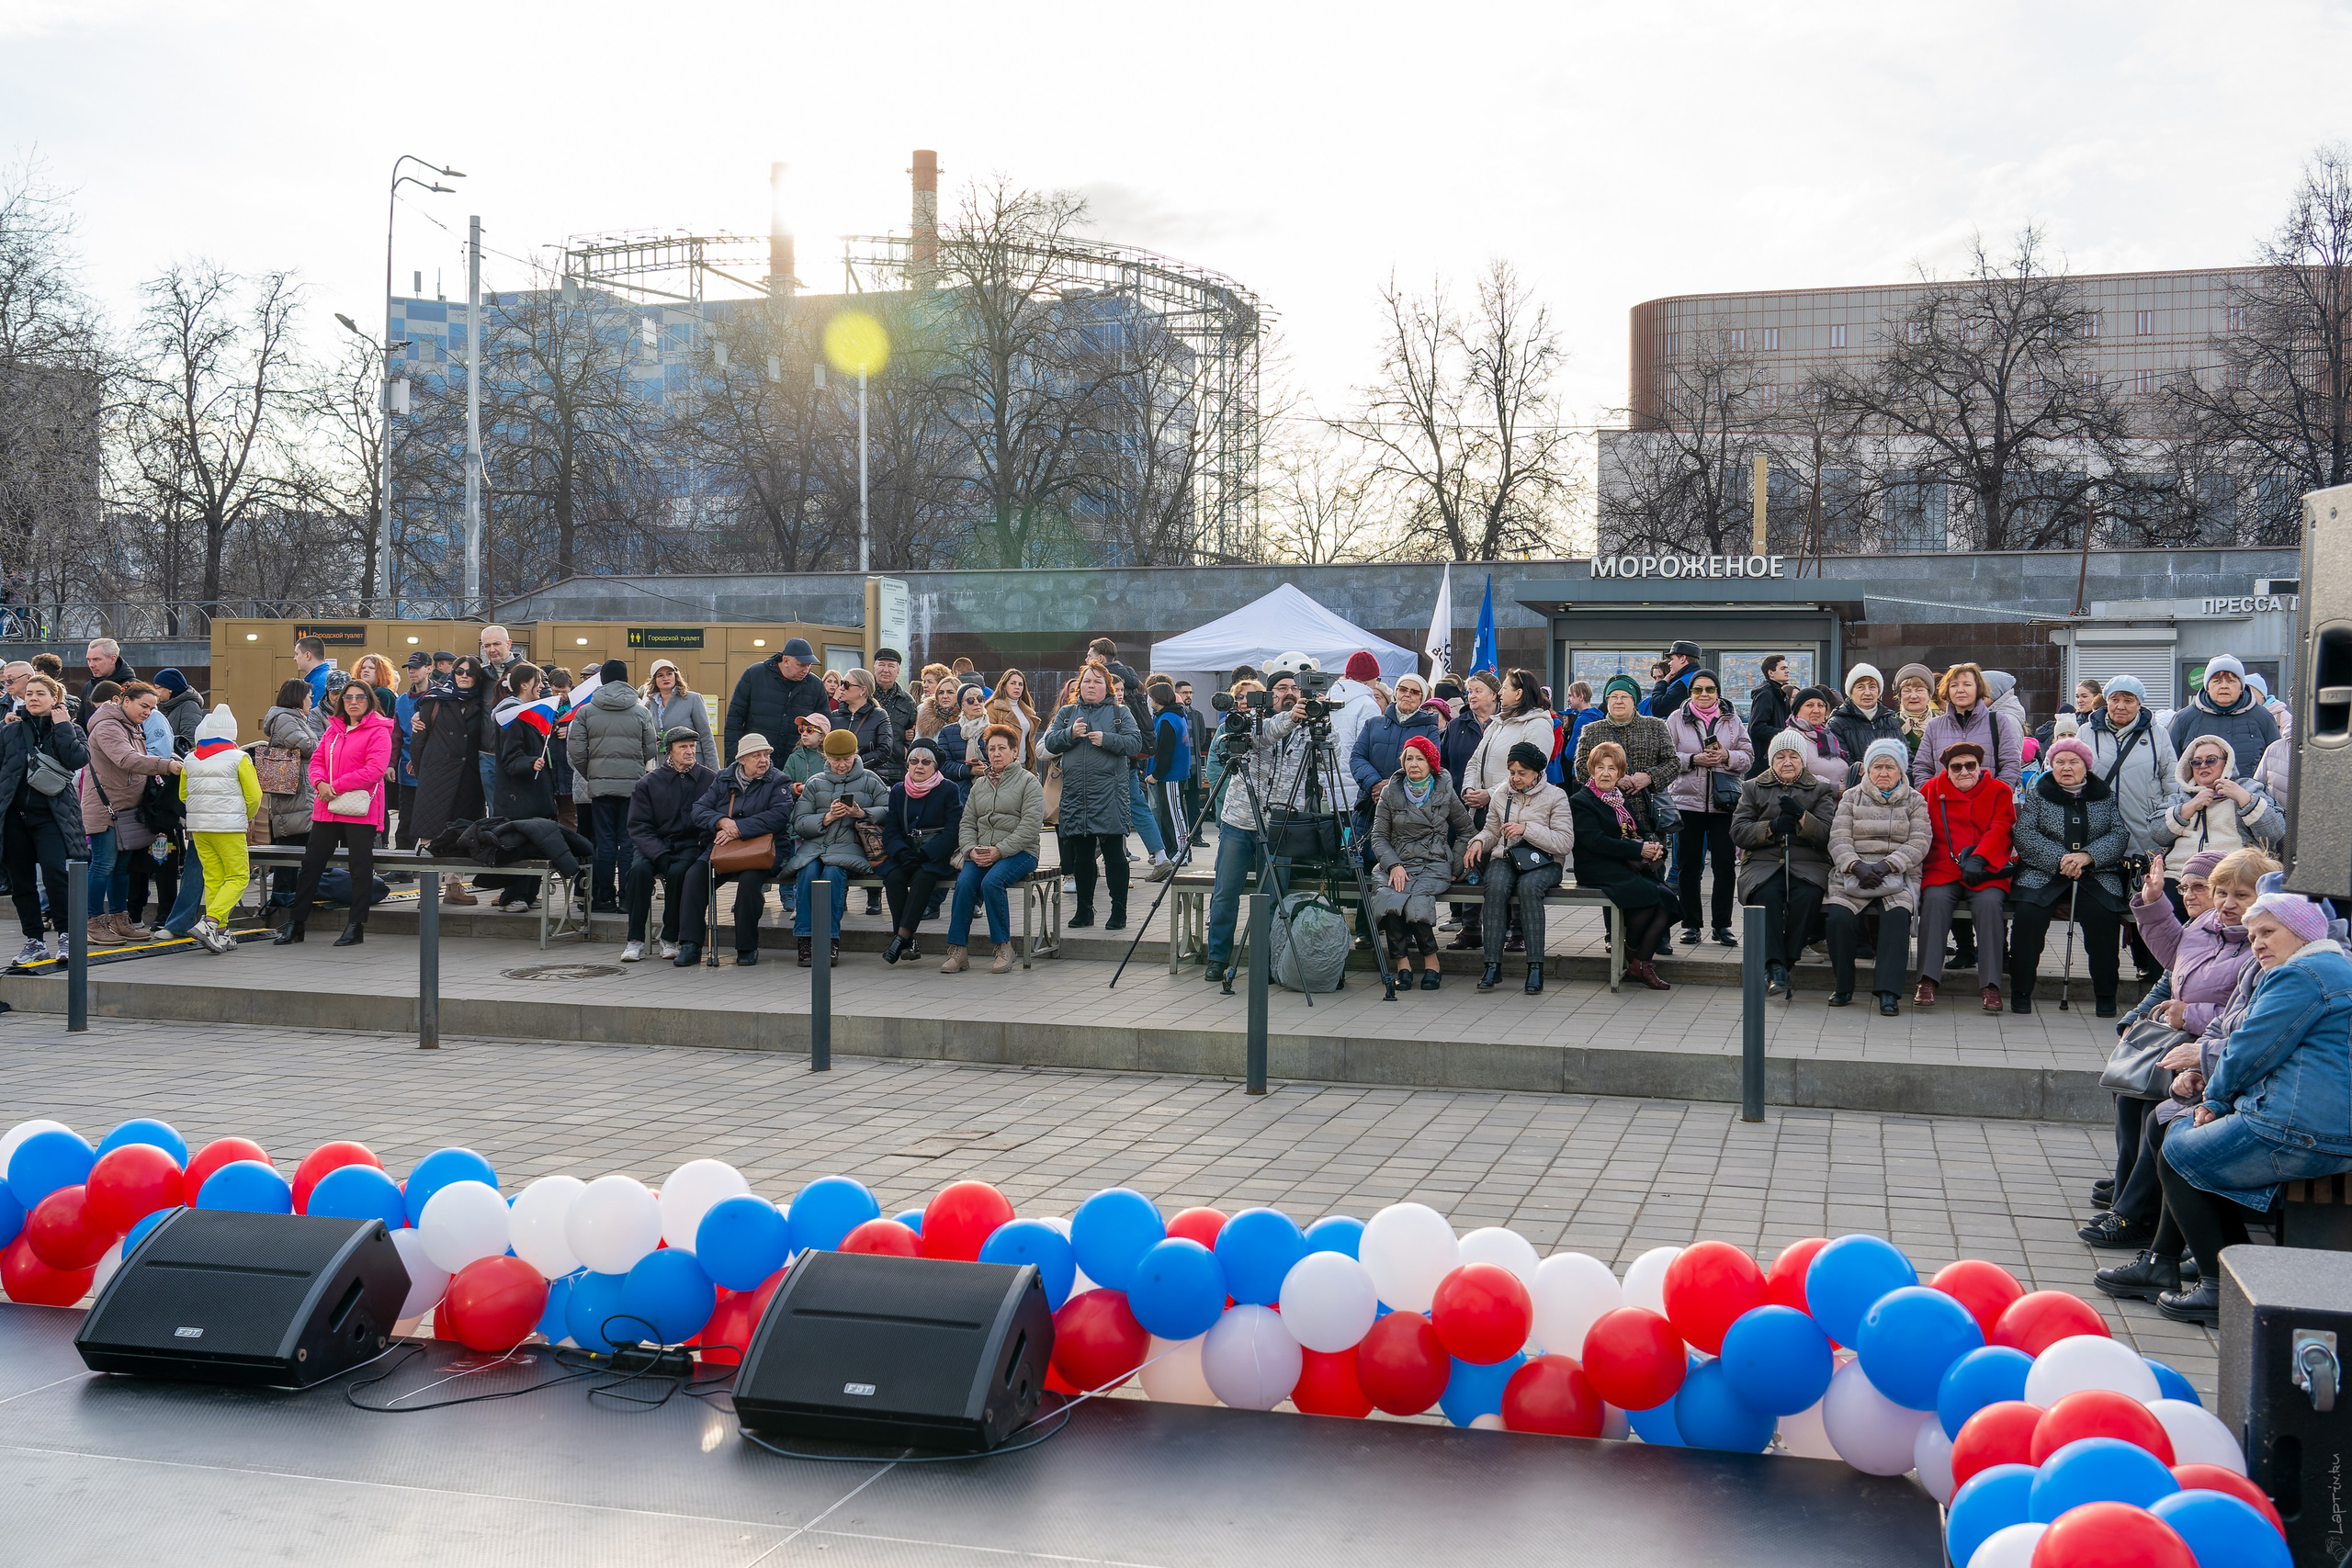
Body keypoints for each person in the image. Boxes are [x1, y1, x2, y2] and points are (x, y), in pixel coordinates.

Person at [2148, 888, 2352, 1325]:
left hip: (2301, 1128)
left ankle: (2220, 1288)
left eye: (2268, 932)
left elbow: (2251, 1048)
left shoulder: (2303, 974)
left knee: (2180, 1151)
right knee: (2184, 1136)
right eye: (2252, 933)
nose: (2256, 942)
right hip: (2321, 1123)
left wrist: (2216, 1099)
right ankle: (2227, 1271)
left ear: (2302, 933)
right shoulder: (2334, 968)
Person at [2081, 847, 2256, 1258]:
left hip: (2213, 1052)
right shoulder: (2206, 926)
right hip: (2186, 1043)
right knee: (2128, 1094)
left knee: (2157, 1110)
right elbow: (2171, 964)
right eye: (2218, 892)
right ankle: (2127, 1194)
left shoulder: (2258, 942)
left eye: (2239, 895)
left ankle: (2138, 1214)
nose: (2225, 903)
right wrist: (2155, 900)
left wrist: (2190, 1016)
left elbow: (2245, 1014)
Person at [2007, 735, 2130, 1016]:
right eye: (2059, 762)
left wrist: (2088, 856)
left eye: (2074, 762)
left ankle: (2105, 995)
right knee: (2028, 916)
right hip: (2043, 871)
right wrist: (2060, 858)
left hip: (2095, 873)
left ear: (2086, 766)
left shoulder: (2104, 795)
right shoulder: (2039, 794)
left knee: (2102, 917)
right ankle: (2021, 990)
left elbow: (2119, 833)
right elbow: (2025, 833)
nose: (2066, 767)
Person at [275, 678, 394, 947]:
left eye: (359, 697)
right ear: (341, 702)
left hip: (359, 809)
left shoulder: (378, 730)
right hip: (328, 807)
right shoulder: (333, 729)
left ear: (369, 701)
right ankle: (296, 923)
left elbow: (374, 771)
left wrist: (335, 786)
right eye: (348, 698)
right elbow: (316, 760)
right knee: (311, 865)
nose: (353, 702)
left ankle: (356, 925)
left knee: (360, 868)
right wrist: (319, 783)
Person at [1825, 739, 1932, 1014]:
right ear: (1867, 770)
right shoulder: (1851, 797)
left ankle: (1888, 992)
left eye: (1890, 767)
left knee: (1896, 917)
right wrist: (1855, 865)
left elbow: (1920, 841)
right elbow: (1838, 838)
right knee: (1838, 917)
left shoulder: (1915, 800)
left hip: (1898, 874)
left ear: (1901, 771)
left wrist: (1887, 865)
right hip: (1853, 874)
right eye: (1877, 767)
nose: (1883, 772)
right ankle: (1843, 986)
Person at [1733, 732, 1838, 998]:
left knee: (1808, 894)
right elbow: (1738, 831)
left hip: (1808, 862)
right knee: (1766, 894)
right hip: (1763, 861)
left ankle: (1779, 967)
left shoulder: (1820, 788)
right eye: (1780, 757)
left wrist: (1802, 818)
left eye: (1793, 756)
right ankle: (1778, 967)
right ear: (1771, 760)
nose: (1787, 762)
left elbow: (1826, 833)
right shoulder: (1752, 787)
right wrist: (1772, 827)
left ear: (1803, 760)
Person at [677, 731, 793, 967]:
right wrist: (721, 822)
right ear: (742, 760)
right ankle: (690, 944)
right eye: (756, 756)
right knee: (695, 877)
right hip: (724, 847)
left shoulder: (778, 780)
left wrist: (738, 828)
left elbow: (779, 816)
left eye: (766, 755)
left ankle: (747, 947)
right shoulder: (723, 778)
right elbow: (699, 809)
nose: (763, 760)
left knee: (750, 883)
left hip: (763, 849)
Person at [1914, 740, 2015, 1013]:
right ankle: (1927, 979)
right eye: (1956, 767)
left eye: (1970, 765)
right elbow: (1921, 830)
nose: (1964, 772)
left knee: (1989, 905)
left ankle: (1991, 984)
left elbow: (2003, 826)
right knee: (1933, 901)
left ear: (1980, 767)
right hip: (1943, 867)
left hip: (1986, 870)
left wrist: (1981, 857)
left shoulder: (1999, 791)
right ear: (1946, 770)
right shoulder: (1931, 790)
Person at [79, 680, 182, 945]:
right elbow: (126, 759)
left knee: (121, 868)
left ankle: (119, 919)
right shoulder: (108, 726)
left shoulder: (131, 725)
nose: (148, 712)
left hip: (125, 809)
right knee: (103, 865)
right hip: (106, 809)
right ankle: (93, 923)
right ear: (124, 701)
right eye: (144, 706)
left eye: (152, 708)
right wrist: (166, 766)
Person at [1569, 740, 1677, 991]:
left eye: (1612, 768)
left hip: (1622, 865)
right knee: (1652, 896)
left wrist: (1653, 846)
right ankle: (1635, 955)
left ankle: (1639, 961)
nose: (1606, 773)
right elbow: (1594, 841)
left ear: (1620, 773)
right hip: (1596, 867)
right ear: (1591, 770)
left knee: (1668, 898)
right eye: (1600, 767)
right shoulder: (1582, 800)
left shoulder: (1619, 799)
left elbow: (1637, 830)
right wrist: (1638, 849)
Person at [1370, 732, 1473, 990]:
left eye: (1420, 759)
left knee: (1415, 904)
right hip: (1396, 862)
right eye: (1409, 759)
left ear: (1431, 764)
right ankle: (1402, 965)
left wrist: (1456, 867)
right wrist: (1393, 865)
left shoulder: (1444, 793)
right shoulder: (1389, 794)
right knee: (1390, 899)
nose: (1413, 764)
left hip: (1432, 862)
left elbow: (1466, 831)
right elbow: (1379, 837)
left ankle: (1431, 963)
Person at [1045, 660, 1142, 930]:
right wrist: (1070, 734)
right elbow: (1049, 743)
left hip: (1110, 795)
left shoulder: (1120, 713)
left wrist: (1108, 739)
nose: (1091, 686)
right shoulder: (1067, 712)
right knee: (1082, 857)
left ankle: (1118, 911)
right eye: (1087, 681)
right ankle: (1084, 911)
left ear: (1107, 687)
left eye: (1098, 682)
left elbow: (1135, 743)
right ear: (1079, 686)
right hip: (1076, 796)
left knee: (1114, 856)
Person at [942, 726, 1046, 975]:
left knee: (992, 883)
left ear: (1014, 753)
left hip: (1021, 852)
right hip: (982, 851)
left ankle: (1003, 947)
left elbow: (1030, 826)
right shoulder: (980, 785)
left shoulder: (1029, 782)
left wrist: (999, 850)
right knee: (965, 883)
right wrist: (970, 850)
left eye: (1002, 748)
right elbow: (967, 822)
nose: (996, 754)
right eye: (991, 749)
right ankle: (958, 950)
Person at [0, 673, 87, 965]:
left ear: (55, 698)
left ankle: (66, 935)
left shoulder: (70, 728)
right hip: (14, 817)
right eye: (29, 694)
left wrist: (63, 726)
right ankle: (34, 941)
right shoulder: (10, 730)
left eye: (40, 693)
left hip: (52, 816)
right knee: (21, 882)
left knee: (55, 874)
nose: (33, 698)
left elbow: (77, 759)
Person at [1663, 668, 1751, 948]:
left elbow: (1748, 756)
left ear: (1718, 692)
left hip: (1724, 802)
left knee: (1725, 864)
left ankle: (1722, 925)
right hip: (1687, 802)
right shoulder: (1676, 719)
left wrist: (1726, 755)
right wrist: (1693, 759)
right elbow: (1665, 756)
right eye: (1698, 689)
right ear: (1690, 693)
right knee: (1689, 866)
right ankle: (1691, 925)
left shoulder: (1732, 719)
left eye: (1709, 689)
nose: (1704, 694)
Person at [787, 727, 887, 966]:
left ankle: (830, 939)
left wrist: (862, 813)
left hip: (849, 849)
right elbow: (798, 823)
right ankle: (805, 940)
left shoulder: (871, 780)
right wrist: (826, 818)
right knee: (808, 872)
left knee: (832, 873)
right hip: (815, 848)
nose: (841, 765)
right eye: (835, 760)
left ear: (855, 755)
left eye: (847, 759)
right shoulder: (814, 783)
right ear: (826, 757)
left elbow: (888, 810)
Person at [567, 659, 658, 914]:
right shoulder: (641, 711)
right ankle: (628, 898)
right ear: (626, 678)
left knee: (603, 842)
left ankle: (603, 898)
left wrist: (591, 773)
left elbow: (576, 750)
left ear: (602, 680)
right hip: (632, 787)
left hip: (600, 787)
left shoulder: (586, 711)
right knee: (627, 842)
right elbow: (650, 748)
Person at [621, 727, 715, 964]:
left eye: (692, 746)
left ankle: (669, 937)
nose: (690, 751)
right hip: (653, 844)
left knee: (679, 873)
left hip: (690, 845)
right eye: (683, 747)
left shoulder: (709, 778)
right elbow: (638, 826)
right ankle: (635, 940)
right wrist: (659, 853)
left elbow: (712, 819)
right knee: (639, 872)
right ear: (669, 752)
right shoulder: (649, 782)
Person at [404, 656, 492, 903]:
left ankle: (454, 887)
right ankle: (428, 892)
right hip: (436, 775)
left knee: (463, 832)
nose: (464, 676)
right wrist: (425, 772)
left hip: (468, 778)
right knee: (431, 833)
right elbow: (418, 740)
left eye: (470, 673)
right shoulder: (434, 699)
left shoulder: (483, 703)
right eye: (459, 671)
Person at [484, 663, 561, 914]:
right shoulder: (512, 715)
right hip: (518, 797)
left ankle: (528, 893)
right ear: (524, 684)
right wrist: (531, 762)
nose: (542, 686)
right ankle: (513, 895)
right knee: (520, 846)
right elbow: (509, 758)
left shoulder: (531, 712)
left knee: (537, 843)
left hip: (535, 794)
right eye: (538, 681)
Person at [880, 739, 964, 964]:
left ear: (935, 766)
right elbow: (891, 830)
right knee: (893, 877)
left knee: (923, 877)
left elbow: (953, 831)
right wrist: (901, 853)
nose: (919, 766)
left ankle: (901, 938)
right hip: (906, 854)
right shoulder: (898, 790)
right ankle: (908, 942)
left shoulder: (948, 789)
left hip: (935, 856)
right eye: (914, 761)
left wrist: (925, 853)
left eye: (926, 762)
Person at [1439, 671, 1496, 952]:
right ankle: (1470, 927)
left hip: (1499, 807)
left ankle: (1506, 928)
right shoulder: (1456, 725)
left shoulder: (1504, 725)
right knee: (1468, 867)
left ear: (1495, 695)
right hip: (1462, 809)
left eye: (1478, 691)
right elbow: (1444, 765)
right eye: (1469, 691)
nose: (1471, 695)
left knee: (1496, 866)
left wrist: (1490, 794)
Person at [2161, 737, 2283, 865]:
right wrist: (2189, 807)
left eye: (2211, 760)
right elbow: (2158, 835)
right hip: (2180, 871)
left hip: (2232, 873)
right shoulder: (2180, 796)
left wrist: (2245, 799)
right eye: (2196, 762)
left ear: (2227, 763)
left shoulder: (2249, 787)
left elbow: (2274, 833)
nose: (2203, 765)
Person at [1912, 663, 2021, 786]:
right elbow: (1921, 768)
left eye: (1967, 684)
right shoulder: (1935, 725)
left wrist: (1995, 795)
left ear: (1978, 688)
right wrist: (1932, 796)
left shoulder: (1998, 721)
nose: (1960, 690)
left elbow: (2011, 765)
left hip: (1987, 803)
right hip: (1945, 803)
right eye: (1954, 685)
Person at [2167, 656, 2278, 776]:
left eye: (2231, 681)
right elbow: (2169, 766)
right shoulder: (2184, 719)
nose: (2224, 686)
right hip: (2197, 794)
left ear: (2241, 687)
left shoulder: (2262, 718)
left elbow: (2277, 765)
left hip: (2249, 793)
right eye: (2217, 681)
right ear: (2207, 687)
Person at [724, 637, 828, 764]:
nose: (806, 670)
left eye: (809, 665)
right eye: (801, 665)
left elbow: (825, 727)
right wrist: (733, 761)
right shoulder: (754, 675)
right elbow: (734, 721)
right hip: (757, 761)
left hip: (797, 765)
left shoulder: (815, 685)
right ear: (785, 661)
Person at [1570, 674, 1676, 795]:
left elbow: (1672, 763)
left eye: (1624, 697)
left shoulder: (1655, 726)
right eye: (1613, 697)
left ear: (1634, 701)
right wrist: (1614, 779)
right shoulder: (1591, 730)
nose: (1618, 701)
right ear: (1607, 701)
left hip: (1647, 807)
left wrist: (1650, 777)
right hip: (1604, 808)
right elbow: (1581, 768)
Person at [1144, 678, 1193, 867]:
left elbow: (1165, 752)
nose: (1149, 701)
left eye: (1151, 697)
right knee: (1169, 813)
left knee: (1174, 814)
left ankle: (1182, 851)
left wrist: (1155, 774)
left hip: (1171, 775)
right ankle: (1176, 849)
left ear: (1158, 698)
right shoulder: (1174, 715)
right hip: (1172, 773)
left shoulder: (1167, 720)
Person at [641, 659, 716, 771]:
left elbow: (706, 736)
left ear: (676, 676)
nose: (666, 678)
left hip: (692, 764)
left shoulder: (693, 699)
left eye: (669, 674)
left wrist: (715, 771)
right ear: (654, 680)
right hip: (664, 766)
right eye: (660, 675)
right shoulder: (649, 705)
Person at [1827, 664, 1903, 769]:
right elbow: (1840, 762)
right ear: (1851, 692)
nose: (1867, 693)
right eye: (1860, 687)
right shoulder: (1837, 723)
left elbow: (1906, 757)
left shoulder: (1890, 720)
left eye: (1872, 687)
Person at [1781, 685, 1849, 792]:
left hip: (1836, 804)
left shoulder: (1828, 736)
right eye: (1810, 705)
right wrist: (1834, 789)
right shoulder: (1790, 738)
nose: (1816, 710)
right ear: (1797, 710)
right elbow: (1793, 774)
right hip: (1811, 805)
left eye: (1821, 705)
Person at [1746, 655, 1796, 779]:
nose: (1787, 671)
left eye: (1787, 668)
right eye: (1783, 668)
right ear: (1771, 673)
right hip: (1763, 763)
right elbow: (1757, 728)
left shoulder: (1780, 693)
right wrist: (1786, 734)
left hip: (1774, 759)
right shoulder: (1766, 693)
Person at [937, 680, 994, 785]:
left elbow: (1004, 760)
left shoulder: (995, 731)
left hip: (990, 787)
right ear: (962, 705)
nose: (977, 703)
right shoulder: (947, 732)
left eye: (980, 699)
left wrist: (985, 767)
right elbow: (943, 765)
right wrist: (969, 770)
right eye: (971, 700)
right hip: (959, 790)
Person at [988, 669, 1042, 773]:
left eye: (1020, 684)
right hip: (1003, 767)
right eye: (1013, 683)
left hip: (1024, 765)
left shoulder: (1027, 710)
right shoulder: (993, 708)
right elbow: (987, 739)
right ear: (1004, 686)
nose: (1017, 687)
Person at [2038, 677, 2105, 750]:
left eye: (2084, 696)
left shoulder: (2105, 721)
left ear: (2097, 697)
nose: (2079, 700)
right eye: (2077, 697)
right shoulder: (2072, 720)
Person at [1891, 663, 1939, 762]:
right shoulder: (1890, 724)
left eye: (1919, 690)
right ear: (1899, 697)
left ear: (1929, 695)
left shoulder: (1943, 722)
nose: (1913, 696)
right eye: (1907, 691)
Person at [870, 649, 919, 742]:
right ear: (874, 668)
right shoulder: (864, 695)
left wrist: (905, 748)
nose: (886, 670)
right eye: (881, 665)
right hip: (867, 754)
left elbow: (913, 732)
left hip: (895, 755)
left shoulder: (907, 701)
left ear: (898, 672)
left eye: (891, 666)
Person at [153, 668, 205, 752]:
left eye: (157, 688)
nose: (155, 692)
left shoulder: (190, 706)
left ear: (170, 689)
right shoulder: (169, 705)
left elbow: (189, 740)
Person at [1650, 639, 1702, 722]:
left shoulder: (1683, 683)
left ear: (1682, 659)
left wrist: (1662, 683)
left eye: (1672, 659)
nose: (1670, 663)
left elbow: (1657, 708)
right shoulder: (1700, 677)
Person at [782, 711, 831, 791]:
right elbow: (784, 785)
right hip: (800, 800)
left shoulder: (830, 759)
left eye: (809, 730)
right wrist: (797, 788)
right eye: (802, 729)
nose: (804, 734)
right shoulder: (794, 757)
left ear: (821, 736)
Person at [916, 676, 962, 742]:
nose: (945, 696)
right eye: (941, 693)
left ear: (959, 695)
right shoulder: (926, 718)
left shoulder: (966, 718)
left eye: (950, 692)